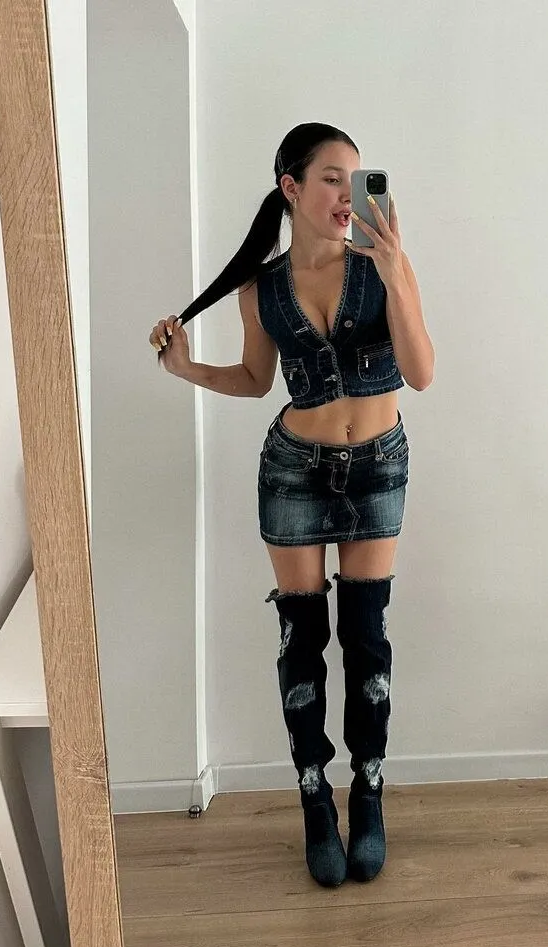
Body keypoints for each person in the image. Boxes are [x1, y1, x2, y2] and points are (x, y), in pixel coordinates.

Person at [148, 123, 434, 888]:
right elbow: (254, 379)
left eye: (355, 179)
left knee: (366, 636)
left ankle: (367, 796)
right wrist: (186, 370)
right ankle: (315, 802)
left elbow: (421, 371)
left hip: (378, 466)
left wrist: (397, 271)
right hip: (294, 471)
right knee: (302, 639)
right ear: (291, 188)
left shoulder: (382, 265)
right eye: (332, 178)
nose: (347, 194)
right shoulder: (262, 287)